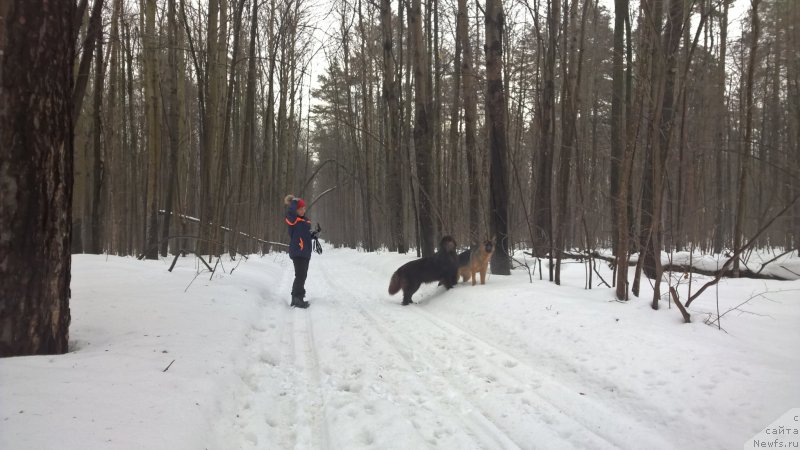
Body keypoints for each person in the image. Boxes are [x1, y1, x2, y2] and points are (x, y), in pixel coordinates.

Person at [284, 194, 314, 308]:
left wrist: (314, 234)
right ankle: (296, 298)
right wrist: (294, 203)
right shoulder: (293, 220)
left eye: (304, 208)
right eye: (300, 209)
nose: (303, 210)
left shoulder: (305, 221)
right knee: (300, 275)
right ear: (295, 209)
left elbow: (306, 235)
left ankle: (299, 297)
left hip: (305, 252)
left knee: (303, 275)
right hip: (297, 252)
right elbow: (291, 215)